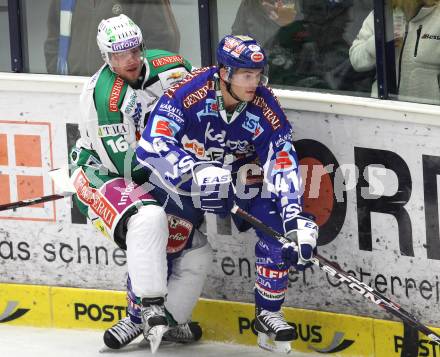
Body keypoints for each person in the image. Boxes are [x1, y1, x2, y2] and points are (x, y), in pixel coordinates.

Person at [136, 34, 318, 354]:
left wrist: (294, 216)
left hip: (242, 178)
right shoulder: (188, 92)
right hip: (189, 179)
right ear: (224, 73)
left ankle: (268, 314)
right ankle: (139, 314)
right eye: (247, 75)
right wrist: (195, 169)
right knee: (168, 232)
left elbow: (282, 161)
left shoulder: (264, 104)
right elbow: (151, 146)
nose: (254, 83)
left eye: (258, 75)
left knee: (278, 235)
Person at [68, 14, 211, 353]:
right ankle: (144, 311)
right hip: (103, 173)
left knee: (195, 252)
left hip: (165, 166)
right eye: (119, 55)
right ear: (106, 57)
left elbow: (200, 113)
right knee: (148, 219)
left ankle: (170, 320)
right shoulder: (102, 99)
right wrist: (180, 169)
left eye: (134, 50)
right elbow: (127, 168)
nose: (129, 60)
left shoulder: (174, 68)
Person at [44, 0, 180, 75]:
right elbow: (53, 42)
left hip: (124, 99)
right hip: (73, 92)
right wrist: (61, 81)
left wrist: (133, 83)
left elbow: (165, 42)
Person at [349, 0, 440, 104]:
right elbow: (355, 60)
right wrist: (378, 42)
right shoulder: (381, 13)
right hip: (383, 110)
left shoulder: (437, 18)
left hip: (426, 114)